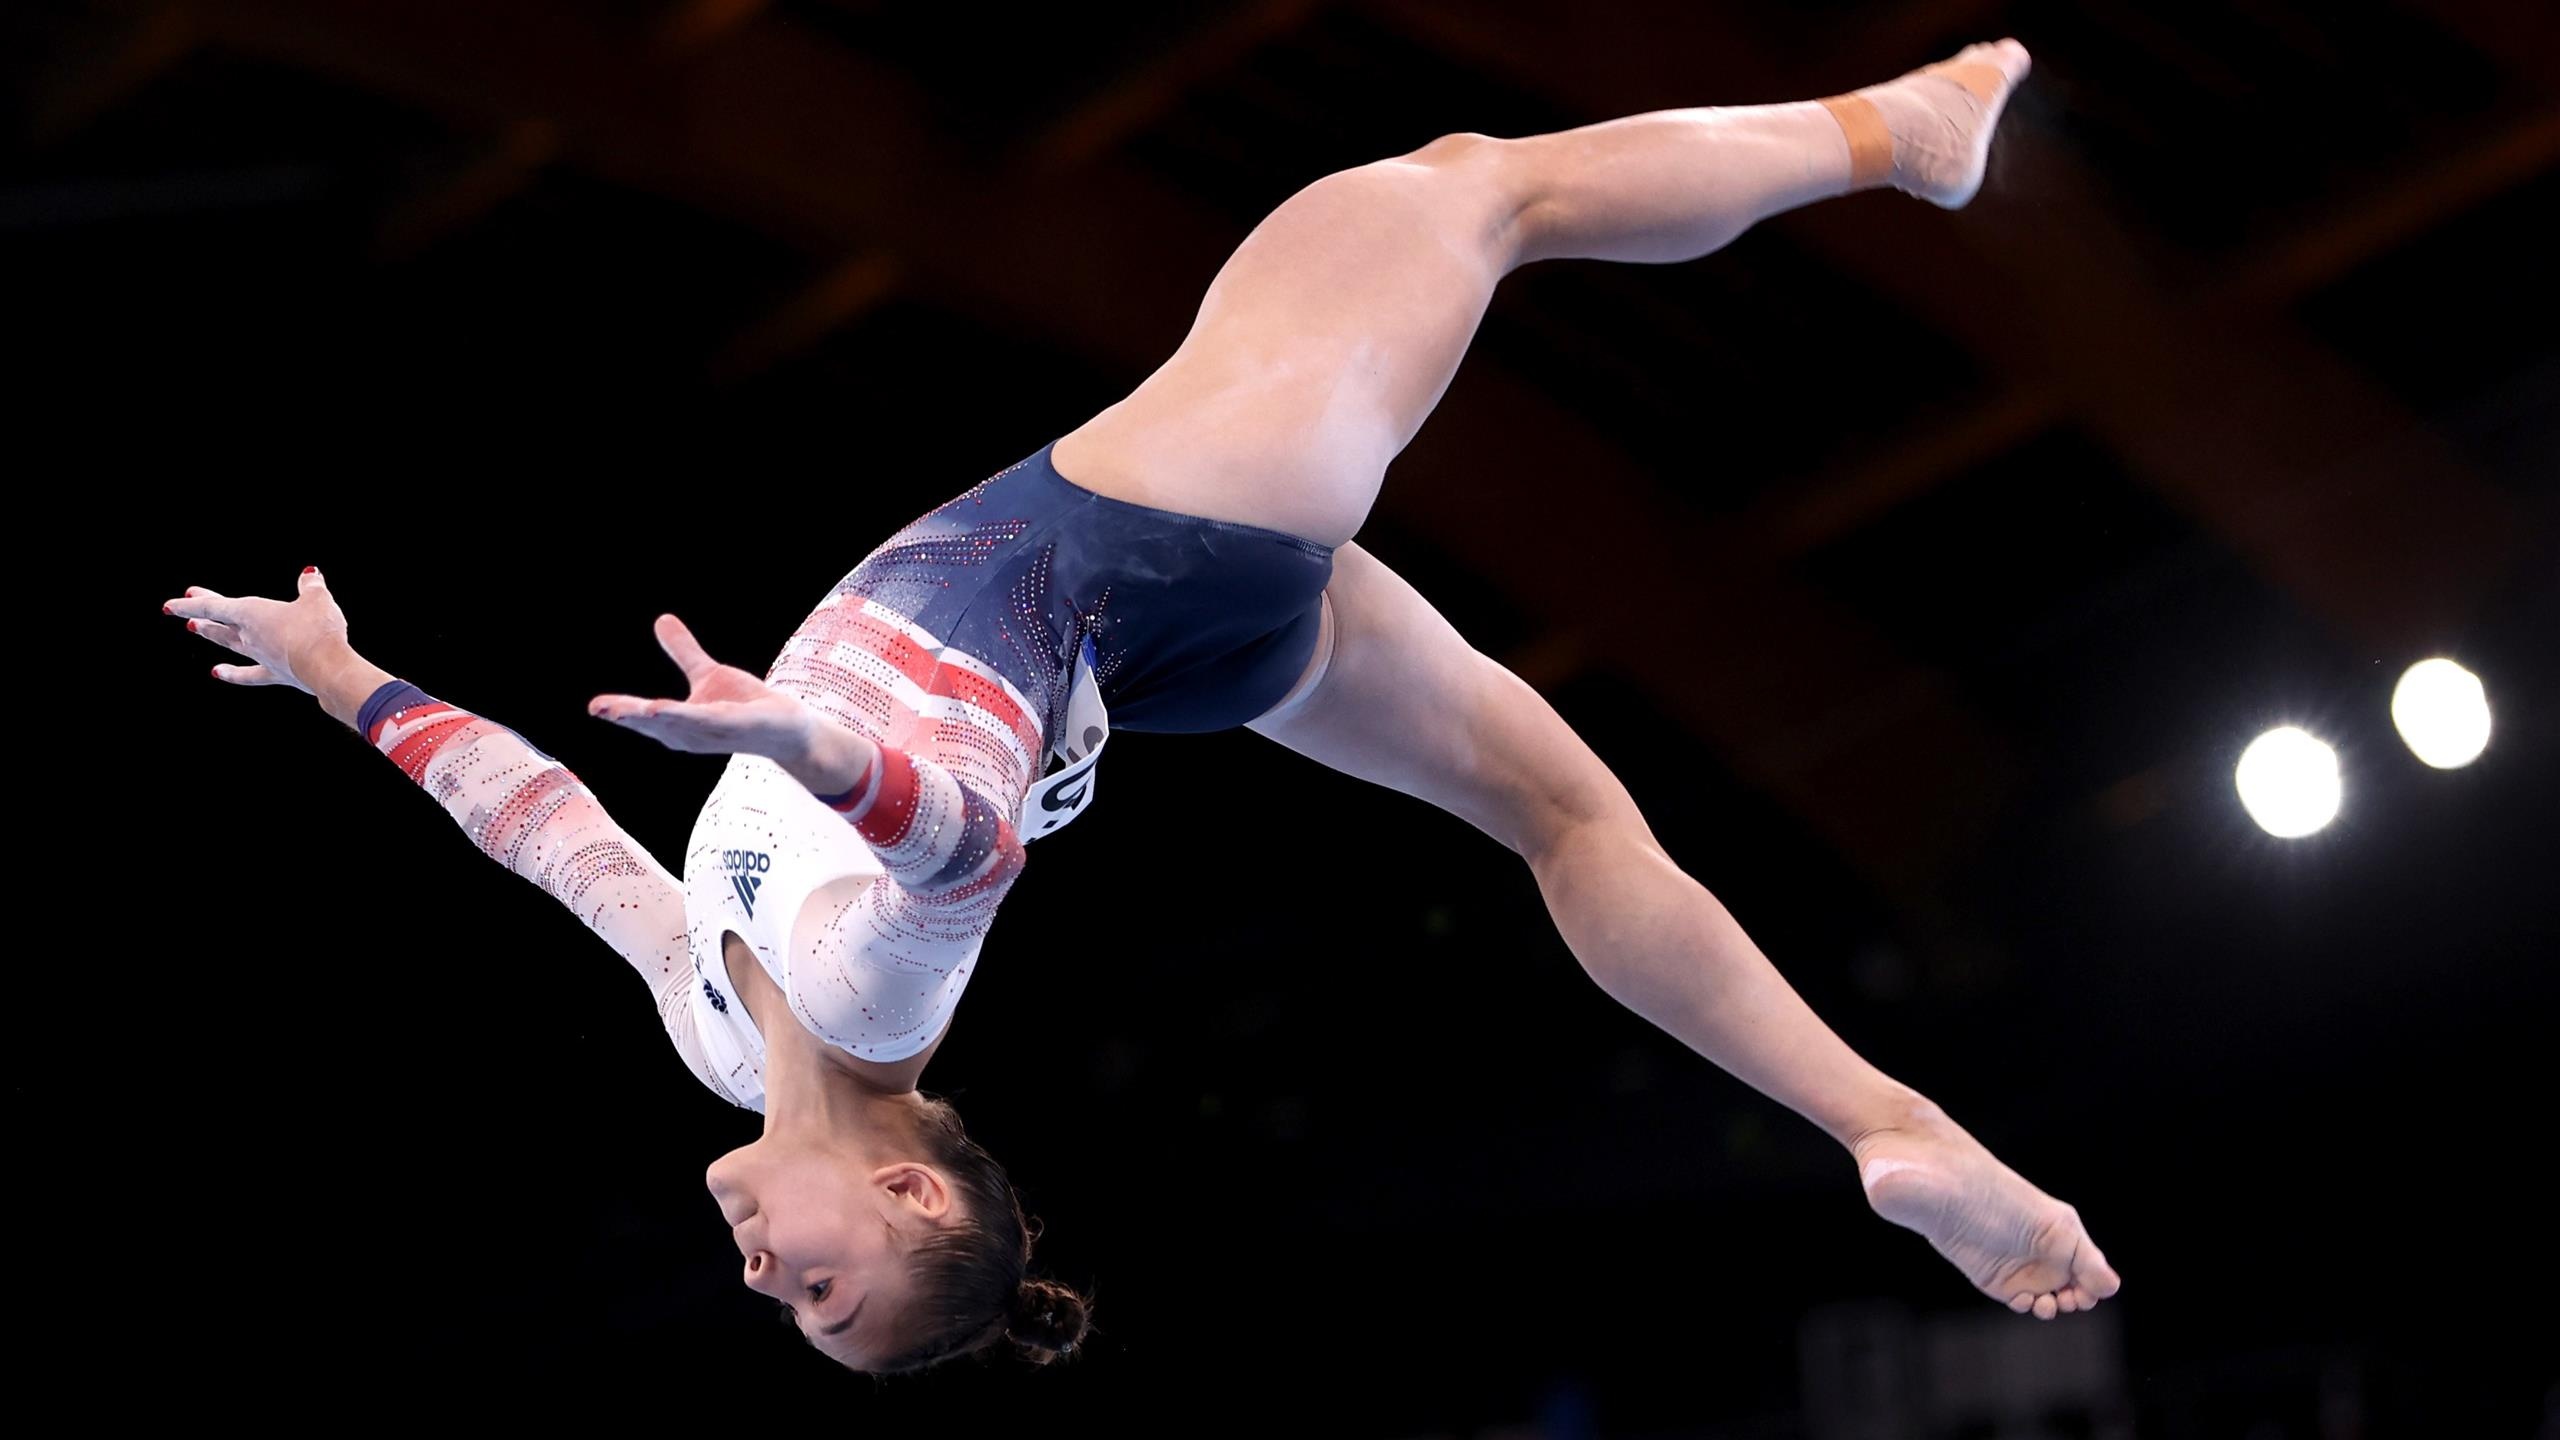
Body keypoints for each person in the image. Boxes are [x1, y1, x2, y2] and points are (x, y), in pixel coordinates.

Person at [163, 38, 2118, 1376]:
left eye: (788, 1311)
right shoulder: (868, 1006)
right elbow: (956, 840)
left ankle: (1882, 1121)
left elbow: (560, 843)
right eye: (825, 1289)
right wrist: (811, 751)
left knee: (1565, 821)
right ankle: (1899, 133)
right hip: (1136, 545)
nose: (764, 1279)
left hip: (1189, 653)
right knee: (1465, 193)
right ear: (910, 1184)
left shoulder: (712, 1030)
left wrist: (357, 690)